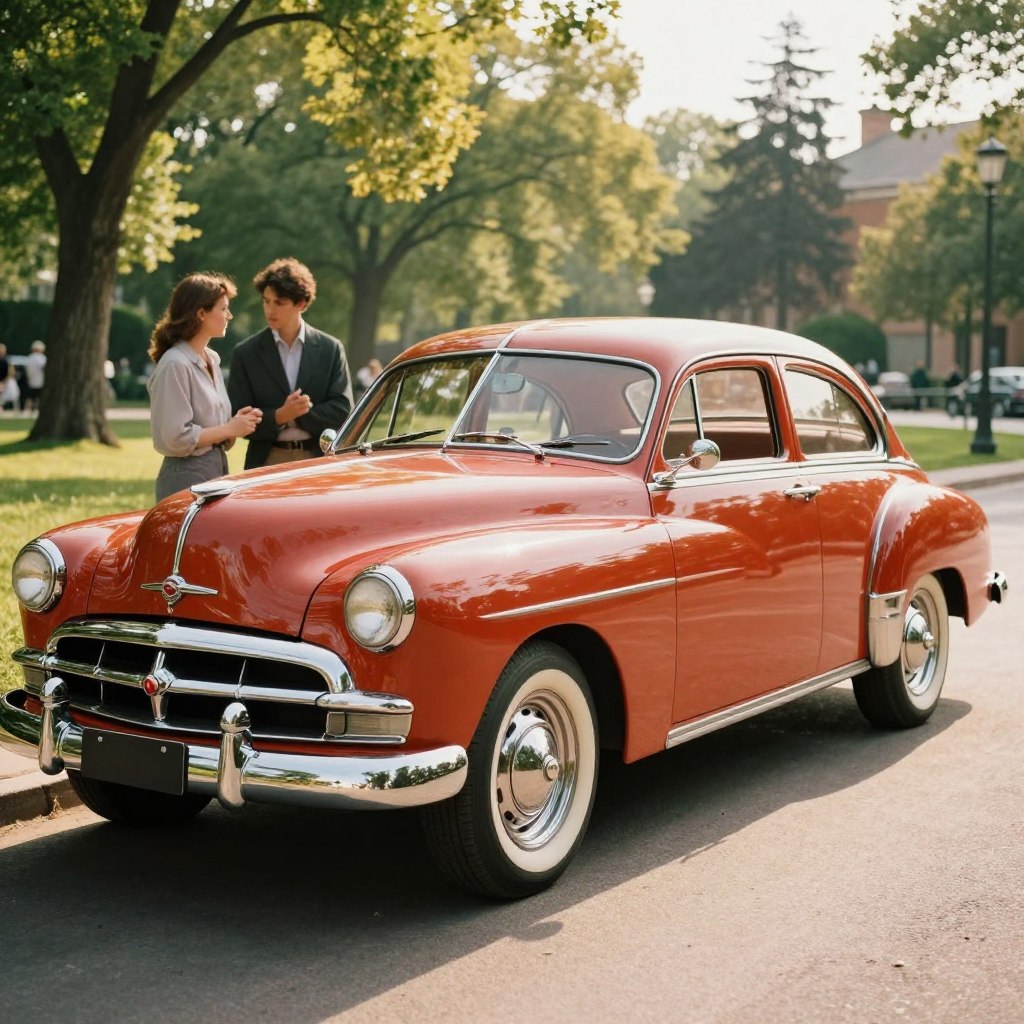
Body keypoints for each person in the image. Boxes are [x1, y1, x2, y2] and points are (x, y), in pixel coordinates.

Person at [228, 257, 353, 469]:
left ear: (301, 303)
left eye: (279, 302)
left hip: (318, 459)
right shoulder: (245, 353)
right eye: (266, 301)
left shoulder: (330, 348)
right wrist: (279, 416)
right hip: (266, 461)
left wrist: (299, 414)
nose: (270, 310)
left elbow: (342, 409)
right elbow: (238, 414)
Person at [147, 272, 262, 503]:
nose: (229, 315)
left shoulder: (212, 358)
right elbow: (175, 438)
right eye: (223, 308)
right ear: (201, 313)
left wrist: (235, 424)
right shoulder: (175, 364)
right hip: (185, 478)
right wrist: (229, 429)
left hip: (216, 471)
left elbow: (214, 430)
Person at [24, 340, 46, 413]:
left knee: (30, 397)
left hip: (31, 381)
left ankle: (27, 411)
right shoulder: (42, 358)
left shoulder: (29, 358)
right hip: (41, 381)